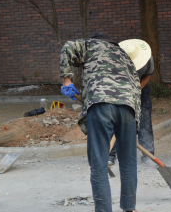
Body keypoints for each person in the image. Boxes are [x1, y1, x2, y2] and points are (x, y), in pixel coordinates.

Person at [60, 32, 141, 212]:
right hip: (129, 106)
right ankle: (130, 208)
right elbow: (136, 88)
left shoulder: (91, 45)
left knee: (99, 164)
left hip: (101, 105)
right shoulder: (124, 55)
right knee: (128, 162)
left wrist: (67, 80)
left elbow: (67, 48)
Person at [109, 39, 155, 166]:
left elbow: (147, 75)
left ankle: (148, 156)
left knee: (144, 121)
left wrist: (136, 90)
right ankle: (110, 155)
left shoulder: (147, 58)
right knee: (114, 120)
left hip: (139, 87)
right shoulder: (112, 60)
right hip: (118, 88)